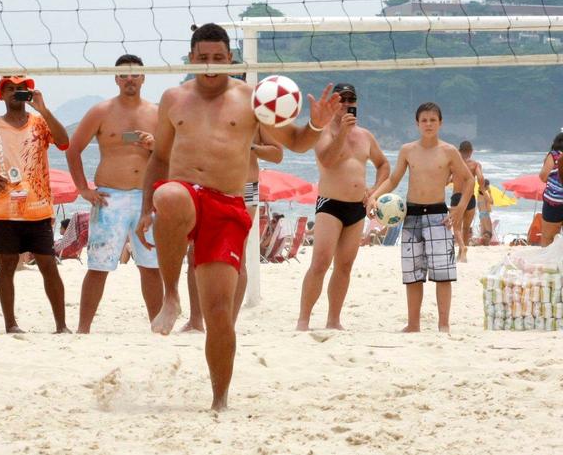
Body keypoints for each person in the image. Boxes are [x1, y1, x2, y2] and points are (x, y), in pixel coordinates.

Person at [136, 22, 340, 410]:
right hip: (183, 194)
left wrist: (316, 123)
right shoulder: (173, 98)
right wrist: (147, 208)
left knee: (219, 314)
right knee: (173, 195)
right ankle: (171, 295)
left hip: (227, 204)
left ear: (230, 59)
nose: (210, 66)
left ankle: (219, 400)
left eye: (218, 58)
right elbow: (160, 157)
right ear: (191, 59)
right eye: (202, 59)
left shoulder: (252, 99)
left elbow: (295, 143)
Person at [0, 75, 70, 334]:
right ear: (1, 94)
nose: (15, 93)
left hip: (38, 208)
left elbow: (64, 143)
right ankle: (10, 324)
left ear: (28, 94)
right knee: (6, 266)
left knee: (48, 266)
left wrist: (43, 108)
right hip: (4, 210)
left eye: (21, 90)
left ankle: (62, 326)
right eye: (11, 89)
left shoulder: (40, 122)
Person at [65, 54, 163, 334]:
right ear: (116, 78)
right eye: (124, 75)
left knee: (151, 266)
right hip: (109, 199)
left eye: (135, 74)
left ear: (143, 77)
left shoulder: (156, 113)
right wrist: (82, 188)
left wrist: (155, 146)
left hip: (146, 199)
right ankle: (83, 328)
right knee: (98, 265)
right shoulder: (101, 111)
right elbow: (73, 150)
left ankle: (157, 327)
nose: (130, 79)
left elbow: (172, 155)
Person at [367, 102, 473, 333]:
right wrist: (374, 196)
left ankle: (443, 325)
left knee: (443, 274)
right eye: (424, 120)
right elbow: (394, 179)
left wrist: (460, 208)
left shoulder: (449, 151)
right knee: (413, 274)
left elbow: (468, 179)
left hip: (438, 214)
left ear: (440, 123)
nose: (428, 124)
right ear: (417, 123)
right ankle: (413, 324)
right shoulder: (407, 150)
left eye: (432, 120)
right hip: (411, 215)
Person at [296, 83, 390, 331]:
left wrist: (374, 192)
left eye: (352, 99)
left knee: (345, 265)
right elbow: (326, 160)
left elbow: (383, 165)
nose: (348, 104)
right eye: (343, 100)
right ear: (334, 104)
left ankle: (333, 320)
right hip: (330, 205)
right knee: (320, 262)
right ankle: (303, 319)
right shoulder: (323, 131)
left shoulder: (365, 136)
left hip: (356, 207)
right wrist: (342, 133)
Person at [181, 126, 283, 333]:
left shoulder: (256, 115)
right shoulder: (210, 109)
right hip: (210, 184)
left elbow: (277, 154)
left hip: (247, 187)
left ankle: (229, 323)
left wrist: (250, 146)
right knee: (195, 253)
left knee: (238, 256)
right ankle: (195, 320)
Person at [450, 141, 484, 262]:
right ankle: (462, 254)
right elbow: (480, 178)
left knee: (456, 227)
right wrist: (483, 190)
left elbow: (445, 181)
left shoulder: (454, 165)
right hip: (470, 198)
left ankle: (462, 248)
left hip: (457, 197)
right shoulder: (475, 165)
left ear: (459, 151)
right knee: (466, 228)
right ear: (471, 151)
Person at [538, 132, 563, 247]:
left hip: (555, 202)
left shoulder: (554, 155)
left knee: (548, 238)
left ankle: (547, 263)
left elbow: (543, 177)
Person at [476, 178, 494, 245]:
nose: (489, 187)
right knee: (489, 233)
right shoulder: (485, 194)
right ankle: (486, 244)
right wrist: (490, 193)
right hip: (485, 213)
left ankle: (482, 245)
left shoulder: (479, 194)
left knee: (483, 232)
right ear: (486, 186)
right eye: (488, 185)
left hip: (481, 214)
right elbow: (492, 202)